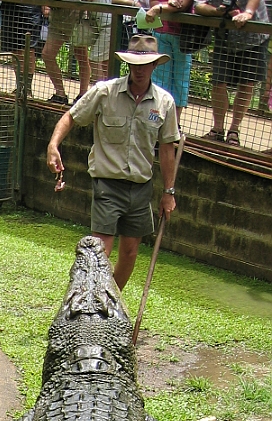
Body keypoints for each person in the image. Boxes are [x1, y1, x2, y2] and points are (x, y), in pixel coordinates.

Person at [46, 33, 180, 289]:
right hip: (107, 184)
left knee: (130, 253)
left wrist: (168, 192)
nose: (139, 71)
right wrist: (53, 145)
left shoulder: (164, 102)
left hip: (141, 187)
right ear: (127, 65)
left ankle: (110, 305)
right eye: (134, 65)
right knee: (100, 252)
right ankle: (89, 304)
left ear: (154, 66)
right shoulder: (104, 91)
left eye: (144, 65)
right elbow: (71, 116)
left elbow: (167, 149)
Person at [193, 0, 269, 145]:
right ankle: (217, 129)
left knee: (247, 83)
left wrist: (248, 12)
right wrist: (219, 11)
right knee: (218, 82)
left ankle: (234, 131)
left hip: (254, 36)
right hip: (225, 36)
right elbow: (199, 4)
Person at [145, 0, 208, 122]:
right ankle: (155, 119)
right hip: (161, 33)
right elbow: (152, 1)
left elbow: (183, 4)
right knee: (159, 79)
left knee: (180, 80)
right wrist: (161, 6)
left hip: (182, 37)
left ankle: (174, 123)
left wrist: (162, 7)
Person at [61, 0, 122, 98]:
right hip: (97, 23)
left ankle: (101, 97)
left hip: (112, 23)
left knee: (96, 60)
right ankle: (104, 96)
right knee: (102, 62)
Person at [29, 0, 73, 103]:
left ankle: (84, 96)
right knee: (47, 54)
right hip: (57, 13)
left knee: (82, 55)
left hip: (75, 12)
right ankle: (60, 94)